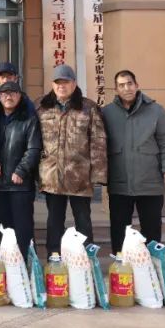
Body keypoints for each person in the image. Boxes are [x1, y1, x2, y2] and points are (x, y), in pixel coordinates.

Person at [104, 70, 165, 254]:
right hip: (120, 181)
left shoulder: (156, 110)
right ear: (116, 89)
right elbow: (99, 145)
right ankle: (121, 264)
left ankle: (153, 262)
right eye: (121, 85)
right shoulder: (107, 113)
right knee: (119, 229)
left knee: (151, 228)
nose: (126, 88)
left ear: (137, 85)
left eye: (129, 83)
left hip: (150, 180)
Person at [37, 64, 107, 256]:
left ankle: (87, 258)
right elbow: (34, 142)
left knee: (83, 220)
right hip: (52, 175)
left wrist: (98, 174)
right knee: (54, 220)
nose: (61, 86)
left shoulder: (88, 108)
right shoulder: (42, 107)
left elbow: (98, 141)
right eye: (58, 82)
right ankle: (54, 256)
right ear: (52, 84)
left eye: (66, 82)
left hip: (80, 176)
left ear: (74, 84)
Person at [0, 80, 41, 256]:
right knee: (4, 230)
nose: (8, 96)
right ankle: (8, 263)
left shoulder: (29, 119)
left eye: (13, 93)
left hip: (20, 185)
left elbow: (33, 148)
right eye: (4, 93)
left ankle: (27, 264)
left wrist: (21, 170)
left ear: (20, 96)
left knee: (23, 229)